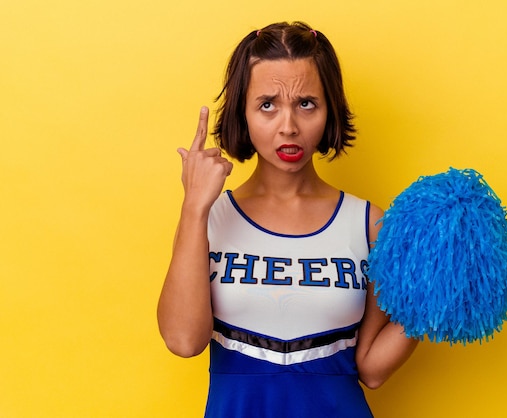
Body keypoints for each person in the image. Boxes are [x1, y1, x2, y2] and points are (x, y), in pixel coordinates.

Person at [157, 21, 418, 418]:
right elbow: (183, 340)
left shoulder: (370, 225)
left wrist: (439, 297)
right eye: (267, 104)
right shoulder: (208, 218)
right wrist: (193, 206)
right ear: (242, 114)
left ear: (329, 108)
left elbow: (370, 368)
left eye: (306, 104)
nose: (288, 126)